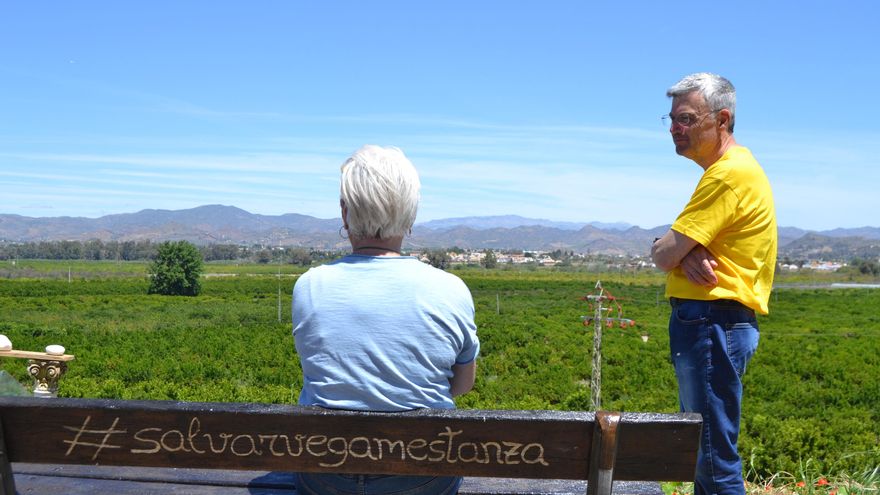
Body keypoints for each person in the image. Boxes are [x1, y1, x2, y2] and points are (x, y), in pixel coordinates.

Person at [292, 144, 479, 495]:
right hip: (424, 476)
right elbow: (462, 385)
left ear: (345, 212)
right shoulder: (451, 289)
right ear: (411, 213)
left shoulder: (309, 287)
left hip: (324, 476)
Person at [651, 73, 777, 495]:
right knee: (707, 455)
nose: (674, 129)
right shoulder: (734, 170)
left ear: (721, 119)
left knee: (713, 459)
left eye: (686, 119)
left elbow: (663, 254)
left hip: (711, 324)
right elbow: (667, 249)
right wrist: (682, 252)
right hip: (717, 324)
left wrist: (677, 252)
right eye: (671, 119)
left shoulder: (726, 175)